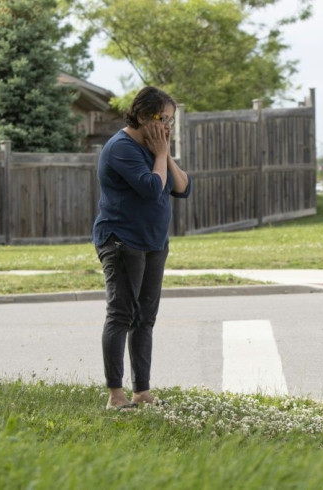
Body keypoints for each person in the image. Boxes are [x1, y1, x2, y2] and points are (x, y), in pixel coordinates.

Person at [92, 86, 191, 410]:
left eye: (170, 121)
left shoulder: (153, 147)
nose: (166, 126)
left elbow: (182, 187)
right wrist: (160, 154)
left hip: (153, 243)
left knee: (145, 318)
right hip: (121, 241)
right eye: (162, 118)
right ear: (141, 115)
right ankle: (115, 395)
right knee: (122, 315)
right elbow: (151, 189)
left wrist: (165, 153)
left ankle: (142, 391)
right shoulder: (121, 148)